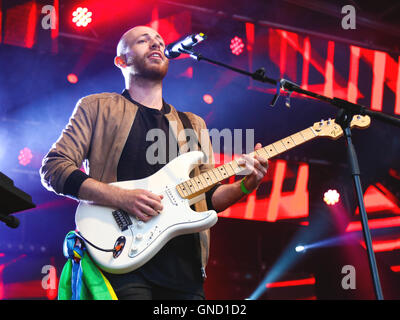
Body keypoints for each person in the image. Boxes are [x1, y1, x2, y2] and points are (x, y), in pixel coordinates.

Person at [40, 25, 268, 300]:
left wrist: (246, 186)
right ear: (121, 60)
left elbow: (207, 198)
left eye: (159, 41)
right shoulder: (96, 107)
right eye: (143, 41)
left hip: (184, 270)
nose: (156, 44)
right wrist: (121, 197)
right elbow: (54, 168)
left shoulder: (194, 124)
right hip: (119, 260)